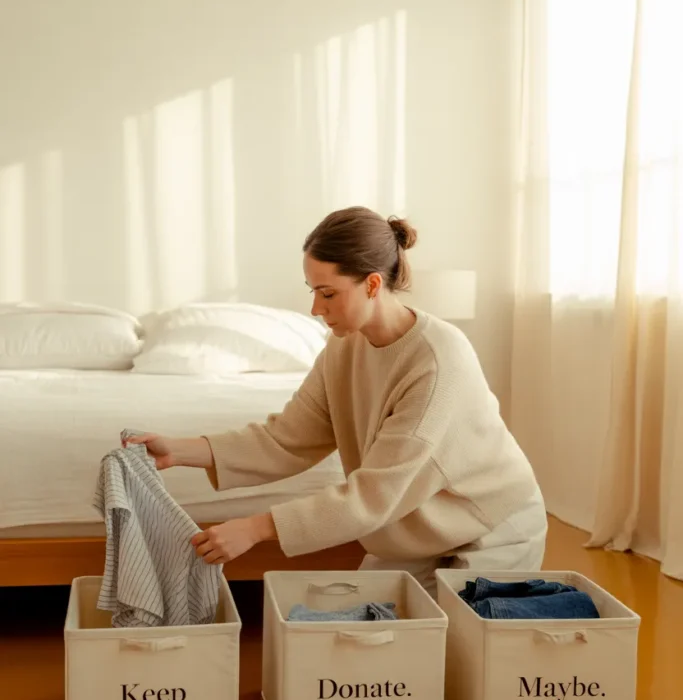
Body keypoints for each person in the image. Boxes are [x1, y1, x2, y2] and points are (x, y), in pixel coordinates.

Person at [125, 207, 547, 596]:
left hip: (490, 524)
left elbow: (372, 495)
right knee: (359, 637)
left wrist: (255, 528)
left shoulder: (438, 362)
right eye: (313, 291)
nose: (315, 308)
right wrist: (178, 451)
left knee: (459, 657)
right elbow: (285, 439)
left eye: (327, 294)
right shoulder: (344, 349)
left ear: (373, 284)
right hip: (414, 527)